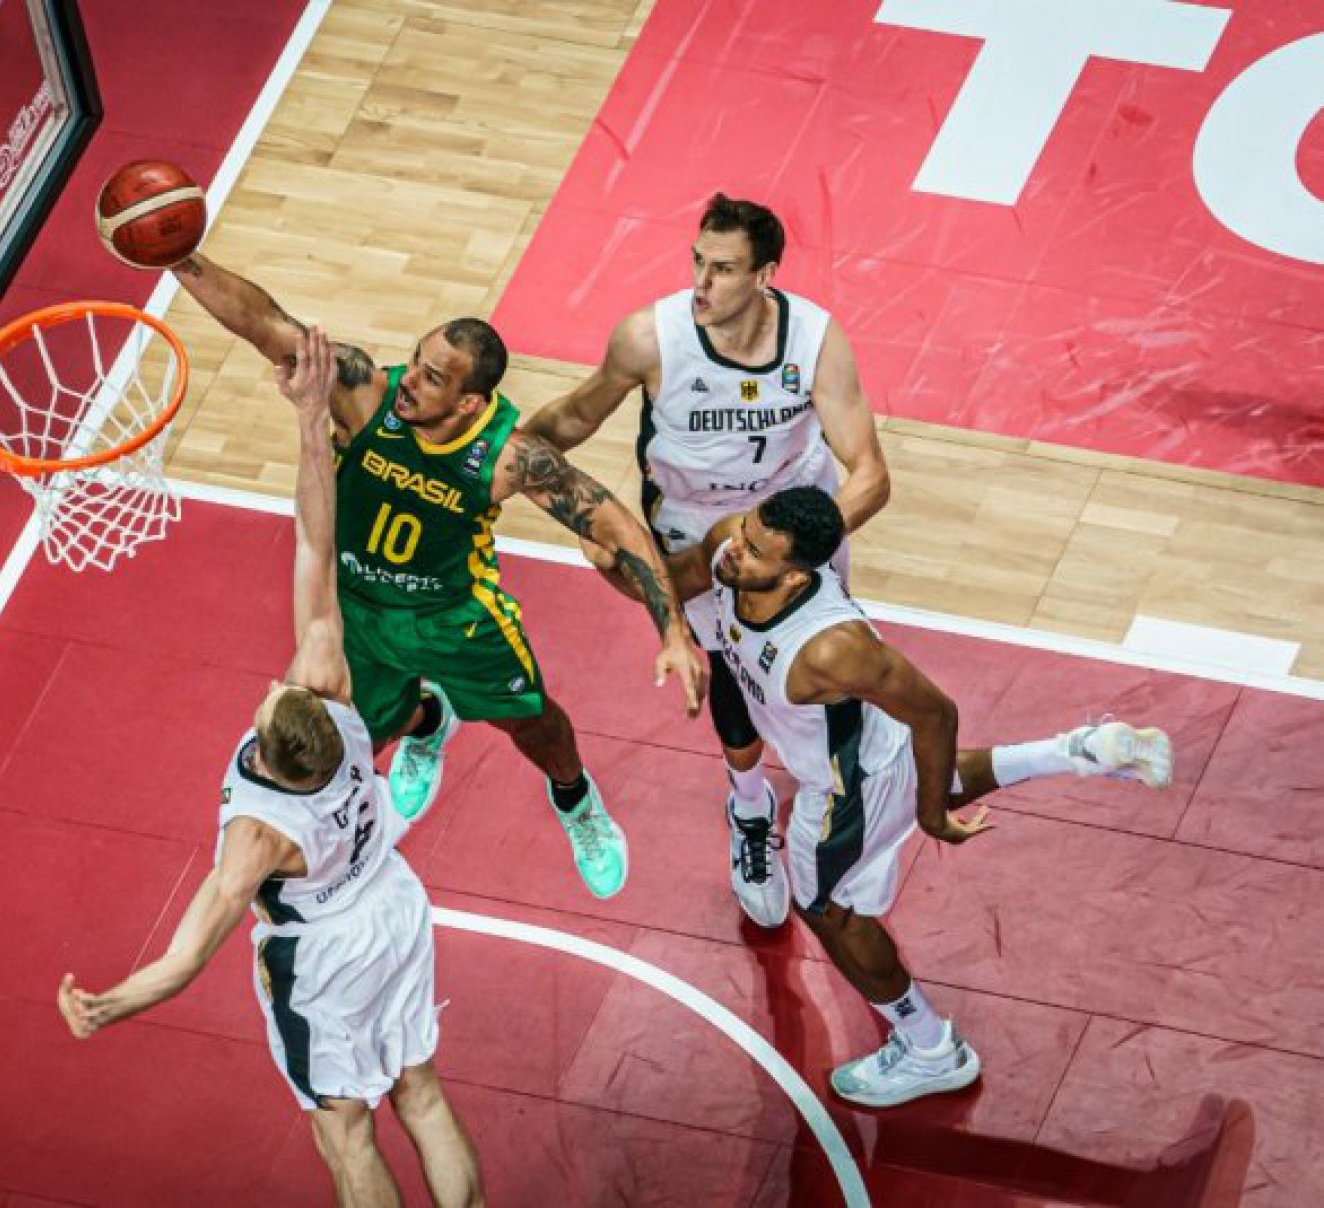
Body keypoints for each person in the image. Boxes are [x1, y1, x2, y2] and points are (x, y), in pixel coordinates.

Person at [59, 329, 484, 1207]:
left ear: (269, 738)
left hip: (328, 954)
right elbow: (314, 544)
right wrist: (307, 420)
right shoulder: (331, 692)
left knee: (344, 1130)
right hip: (394, 903)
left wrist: (108, 1007)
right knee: (421, 1091)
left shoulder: (256, 835)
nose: (268, 681)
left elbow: (184, 960)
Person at [156, 252, 703, 901]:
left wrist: (671, 630)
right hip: (356, 609)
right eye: (416, 360)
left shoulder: (507, 456)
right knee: (367, 730)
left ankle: (575, 798)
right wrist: (179, 260)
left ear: (470, 400)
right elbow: (265, 323)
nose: (409, 379)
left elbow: (616, 527)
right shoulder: (364, 394)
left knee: (531, 721)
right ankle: (428, 728)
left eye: (432, 376)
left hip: (454, 615)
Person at [691, 486, 1172, 1107]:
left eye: (755, 550)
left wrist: (932, 817)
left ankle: (929, 1047)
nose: (736, 550)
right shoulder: (730, 553)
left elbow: (938, 714)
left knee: (825, 909)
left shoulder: (832, 650)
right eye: (745, 533)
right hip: (871, 744)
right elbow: (672, 573)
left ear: (794, 575)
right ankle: (1079, 751)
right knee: (918, 778)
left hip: (845, 787)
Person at [523, 192, 892, 927]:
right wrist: (508, 463)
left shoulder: (814, 339)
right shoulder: (649, 338)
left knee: (820, 673)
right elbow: (570, 417)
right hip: (697, 541)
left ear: (766, 275)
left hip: (794, 532)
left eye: (723, 269)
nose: (701, 283)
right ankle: (750, 809)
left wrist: (794, 546)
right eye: (697, 261)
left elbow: (871, 475)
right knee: (733, 679)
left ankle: (838, 786)